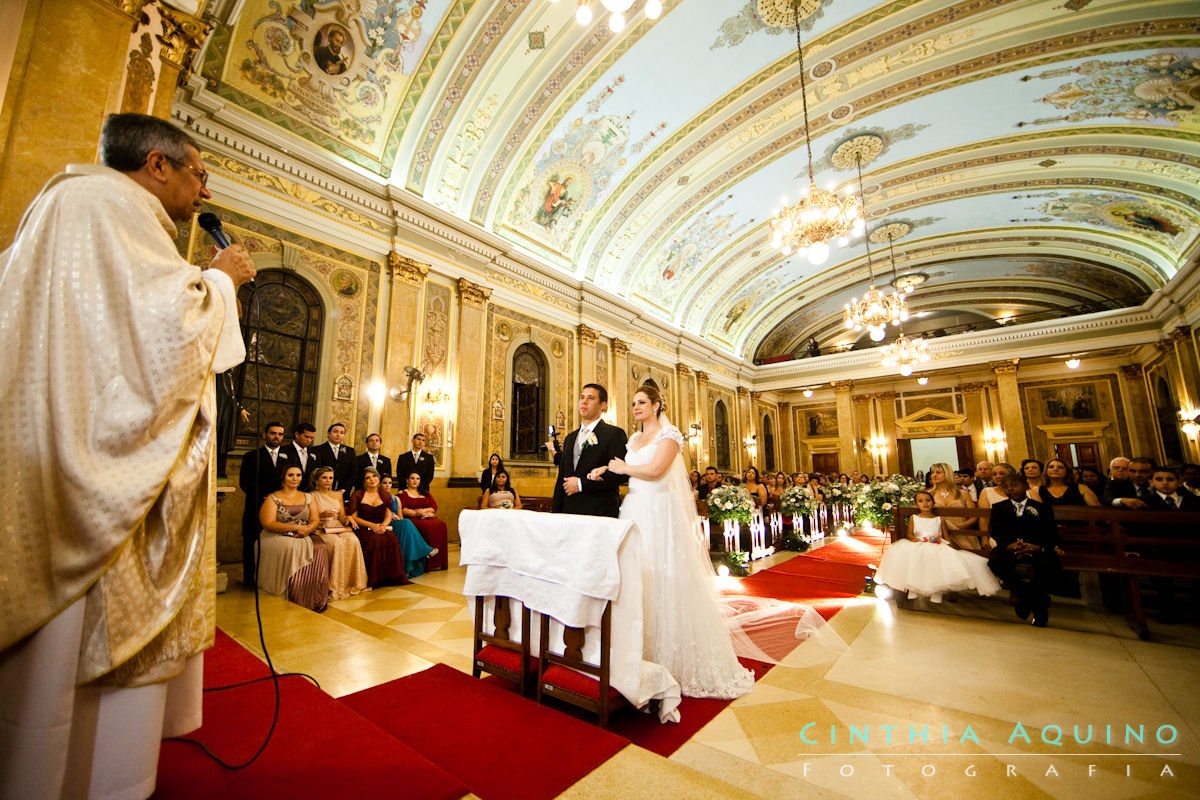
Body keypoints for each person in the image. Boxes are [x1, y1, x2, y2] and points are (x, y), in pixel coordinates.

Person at [0, 112, 255, 799]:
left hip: (59, 437)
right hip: (92, 467)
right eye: (199, 172)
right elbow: (161, 334)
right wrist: (222, 281)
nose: (203, 191)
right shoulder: (108, 206)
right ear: (157, 165)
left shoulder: (73, 205)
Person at [588, 384, 753, 699]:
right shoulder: (635, 439)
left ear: (656, 405)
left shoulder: (671, 436)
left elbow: (654, 470)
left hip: (659, 511)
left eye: (641, 403)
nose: (636, 407)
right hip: (634, 508)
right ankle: (637, 648)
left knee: (662, 573)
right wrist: (605, 468)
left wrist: (623, 467)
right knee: (636, 574)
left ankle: (672, 656)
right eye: (633, 403)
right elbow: (626, 470)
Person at [874, 490, 1000, 603]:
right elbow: (910, 534)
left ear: (933, 503)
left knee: (939, 564)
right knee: (915, 559)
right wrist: (918, 540)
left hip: (937, 545)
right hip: (919, 544)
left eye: (928, 501)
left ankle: (936, 592)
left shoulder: (940, 519)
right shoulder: (914, 518)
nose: (925, 504)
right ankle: (913, 589)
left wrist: (952, 548)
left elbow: (945, 536)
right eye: (921, 501)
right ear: (916, 505)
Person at [987, 474, 1061, 627]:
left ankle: (1027, 599)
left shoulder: (1042, 508)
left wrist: (1037, 546)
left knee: (1050, 564)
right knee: (995, 561)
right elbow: (997, 532)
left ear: (1026, 486)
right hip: (1010, 548)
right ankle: (1036, 600)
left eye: (1014, 485)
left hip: (1035, 547)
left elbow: (1051, 532)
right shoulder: (999, 508)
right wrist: (1009, 545)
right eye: (1006, 486)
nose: (1010, 489)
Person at [256, 465, 330, 611]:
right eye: (291, 475)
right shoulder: (273, 498)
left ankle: (314, 598)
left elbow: (315, 519)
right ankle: (293, 595)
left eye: (298, 475)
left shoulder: (308, 497)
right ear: (283, 477)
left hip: (305, 533)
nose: (295, 478)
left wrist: (307, 529)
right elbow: (268, 523)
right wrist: (296, 528)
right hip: (276, 535)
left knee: (320, 546)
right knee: (293, 547)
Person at [547, 384, 628, 517]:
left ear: (603, 405)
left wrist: (581, 484)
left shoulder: (614, 434)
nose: (584, 402)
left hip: (598, 511)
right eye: (582, 397)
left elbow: (620, 474)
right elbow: (562, 478)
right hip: (569, 512)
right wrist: (556, 513)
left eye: (591, 398)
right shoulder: (570, 438)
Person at [239, 422, 288, 586]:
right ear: (265, 435)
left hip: (282, 507)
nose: (277, 437)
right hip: (256, 505)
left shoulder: (288, 456)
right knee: (252, 543)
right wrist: (267, 497)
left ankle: (271, 579)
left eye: (280, 434)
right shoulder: (252, 456)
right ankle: (250, 580)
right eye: (273, 433)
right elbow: (245, 482)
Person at [309, 466, 368, 600]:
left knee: (353, 540)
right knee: (336, 544)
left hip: (337, 526)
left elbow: (341, 515)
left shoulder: (337, 494)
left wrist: (347, 517)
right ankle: (334, 586)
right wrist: (322, 514)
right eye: (324, 478)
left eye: (330, 478)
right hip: (321, 527)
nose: (328, 481)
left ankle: (354, 583)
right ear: (317, 480)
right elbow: (310, 517)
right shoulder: (311, 496)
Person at [347, 468, 410, 587]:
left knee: (392, 539)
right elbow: (353, 517)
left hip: (380, 526)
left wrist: (384, 525)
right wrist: (371, 525)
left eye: (374, 476)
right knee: (375, 541)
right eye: (368, 477)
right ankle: (375, 579)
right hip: (364, 527)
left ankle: (391, 577)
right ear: (364, 481)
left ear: (378, 478)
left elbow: (388, 514)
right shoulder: (358, 494)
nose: (372, 479)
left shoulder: (385, 495)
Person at [380, 475, 437, 578]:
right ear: (379, 484)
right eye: (384, 483)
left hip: (397, 524)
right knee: (407, 523)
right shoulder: (377, 497)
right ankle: (426, 551)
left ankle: (407, 567)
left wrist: (397, 518)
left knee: (406, 524)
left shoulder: (396, 498)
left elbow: (401, 517)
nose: (387, 486)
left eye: (390, 483)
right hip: (384, 523)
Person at [397, 471, 449, 571]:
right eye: (412, 478)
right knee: (427, 527)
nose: (415, 480)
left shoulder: (425, 493)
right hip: (413, 518)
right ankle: (426, 562)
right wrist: (417, 513)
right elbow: (403, 510)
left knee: (441, 524)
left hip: (427, 516)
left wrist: (424, 511)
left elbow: (434, 506)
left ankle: (438, 562)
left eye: (417, 478)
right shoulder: (403, 494)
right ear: (407, 481)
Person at [929, 462, 978, 549]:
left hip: (962, 533)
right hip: (939, 535)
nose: (934, 475)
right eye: (933, 473)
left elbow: (974, 516)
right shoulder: (929, 494)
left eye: (938, 472)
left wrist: (960, 526)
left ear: (947, 474)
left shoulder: (963, 494)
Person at [1031, 458, 1101, 506]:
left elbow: (1097, 511)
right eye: (1051, 467)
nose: (1055, 469)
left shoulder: (1081, 488)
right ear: (1046, 471)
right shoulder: (1037, 490)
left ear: (1067, 471)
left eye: (1060, 467)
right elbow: (1037, 513)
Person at [313, 422, 356, 493]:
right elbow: (315, 472)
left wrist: (344, 489)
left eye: (342, 433)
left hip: (343, 492)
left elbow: (354, 472)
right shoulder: (318, 450)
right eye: (335, 431)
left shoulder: (350, 451)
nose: (338, 435)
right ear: (328, 434)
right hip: (322, 491)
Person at [395, 432, 435, 496]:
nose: (420, 442)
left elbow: (429, 475)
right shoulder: (403, 457)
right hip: (405, 489)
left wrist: (418, 485)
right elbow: (400, 474)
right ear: (412, 440)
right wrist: (409, 485)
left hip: (422, 490)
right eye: (418, 439)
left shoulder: (429, 458)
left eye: (423, 440)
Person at [287, 422, 318, 486]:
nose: (309, 440)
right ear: (297, 434)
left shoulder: (314, 452)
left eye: (311, 438)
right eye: (306, 437)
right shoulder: (284, 451)